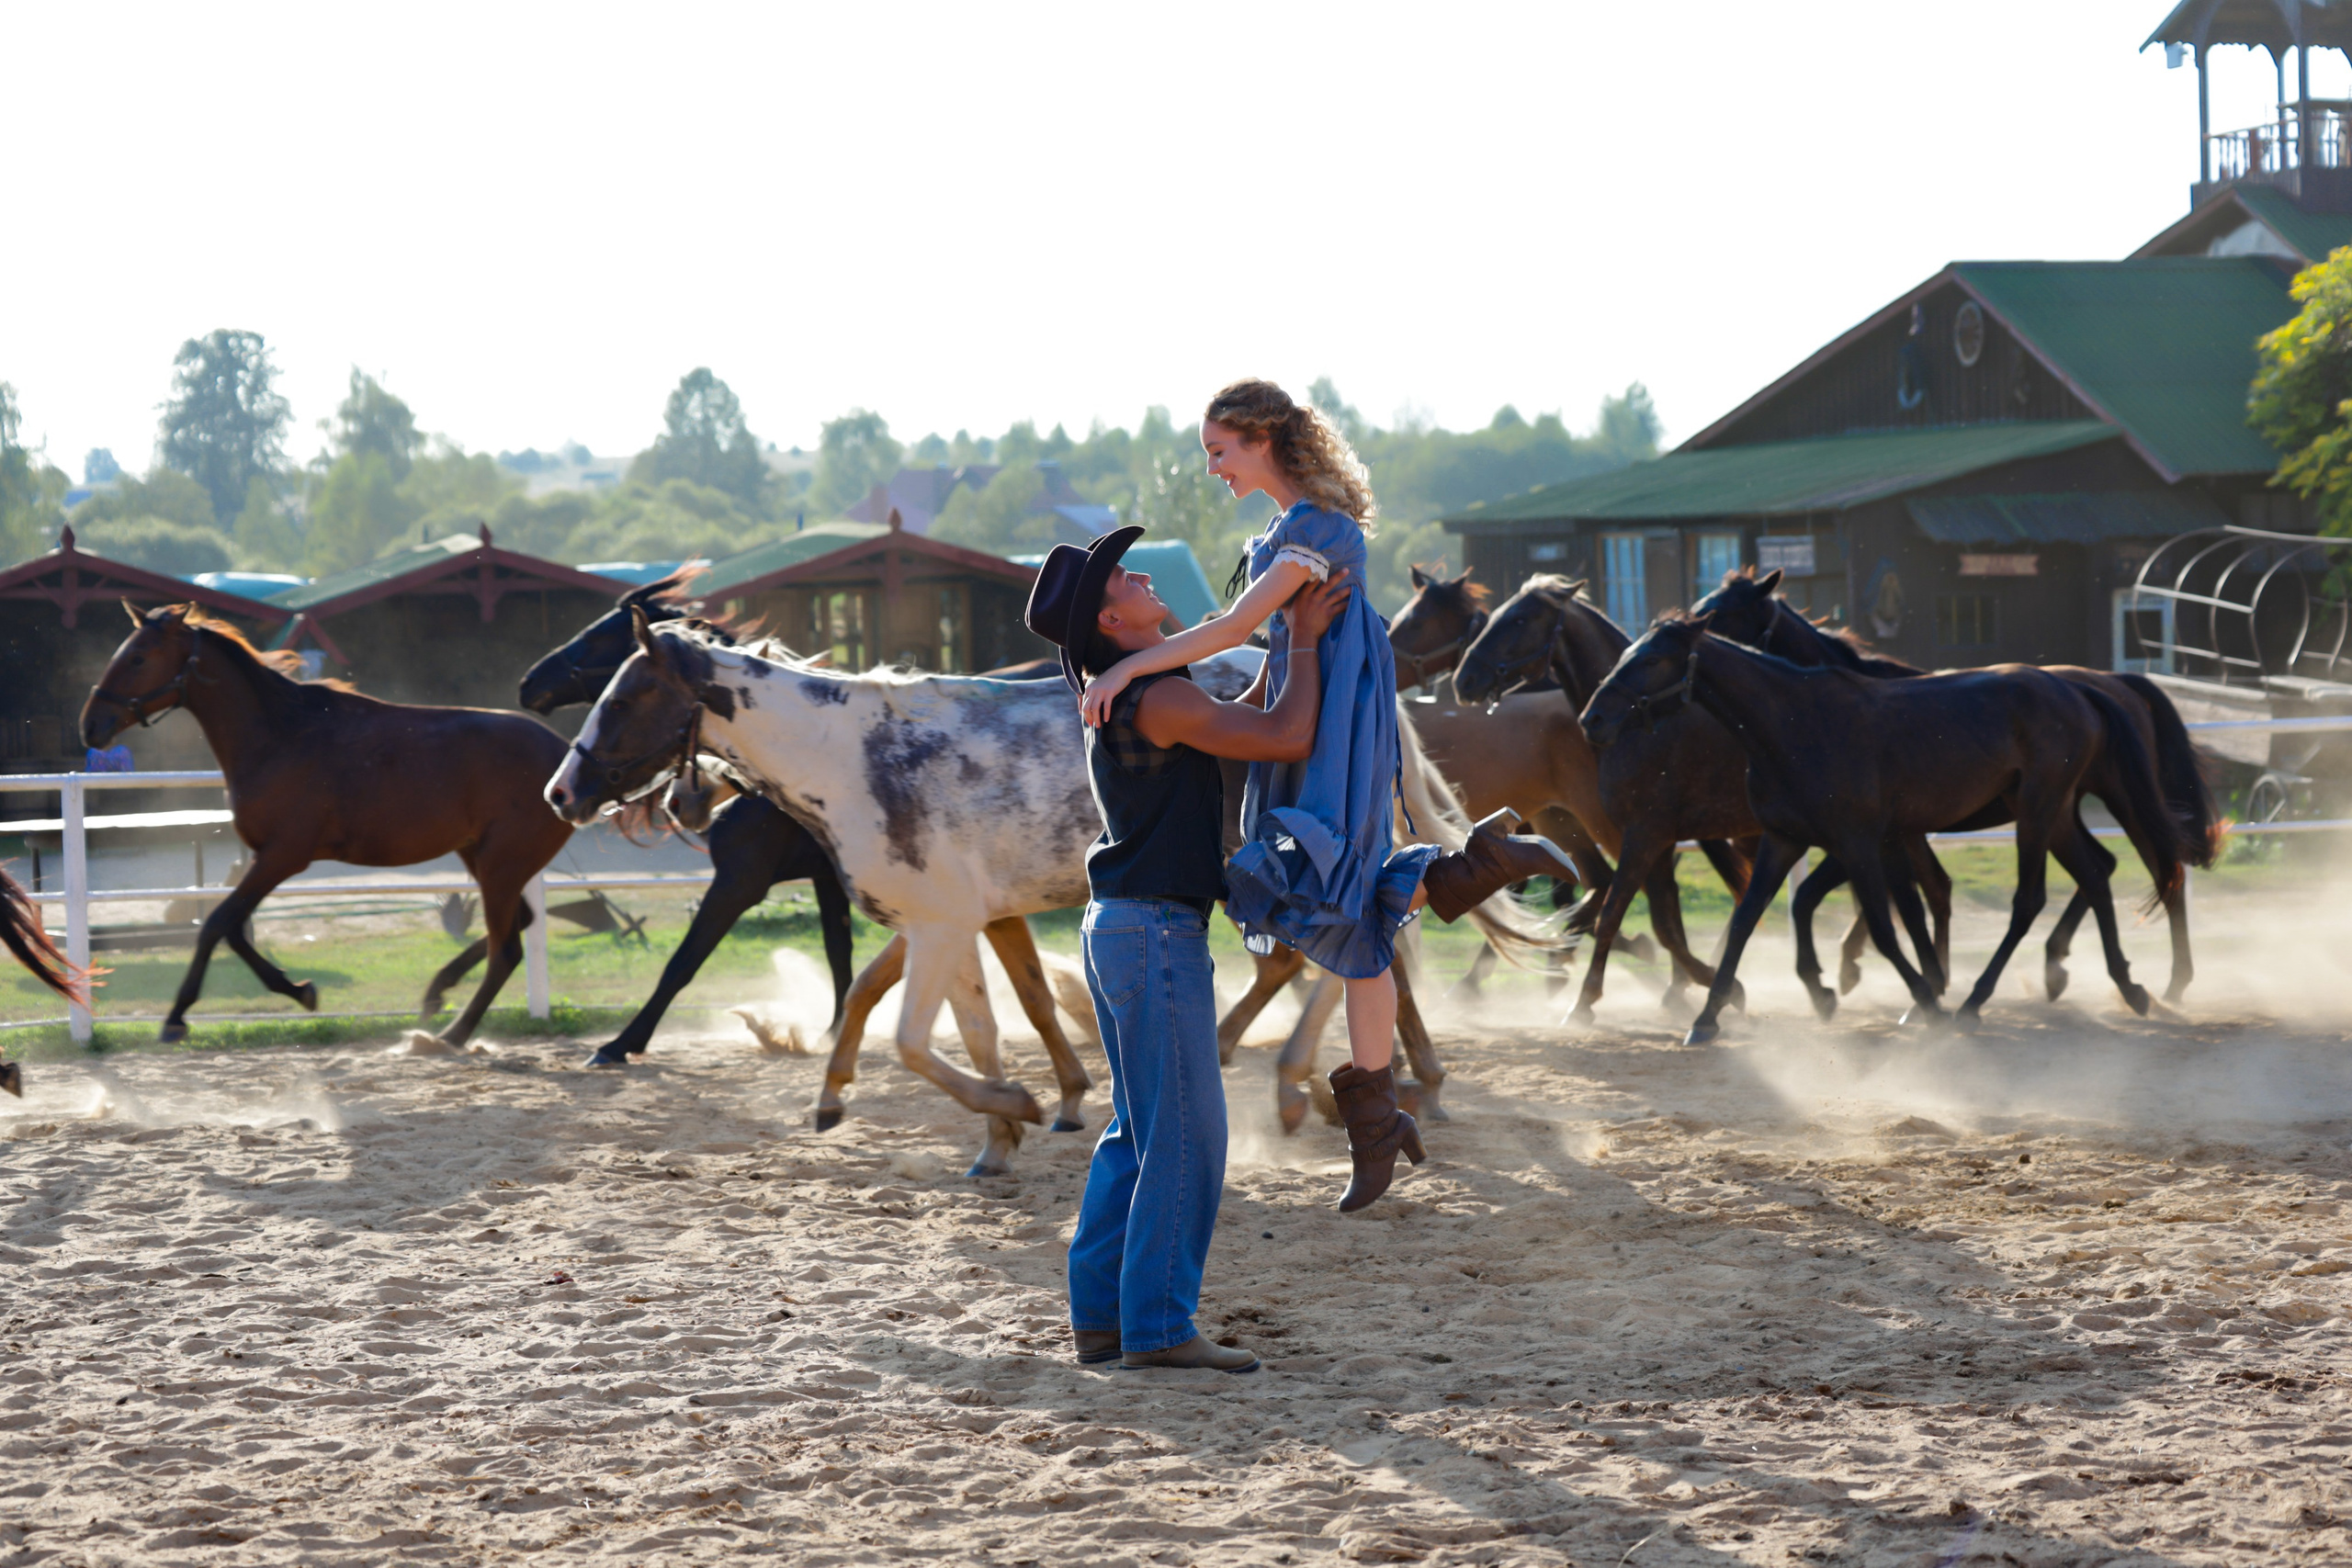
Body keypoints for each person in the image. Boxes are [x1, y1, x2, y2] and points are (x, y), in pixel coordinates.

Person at [1027, 521, 1571, 1372]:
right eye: (1124, 579)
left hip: (1125, 927)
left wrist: (1287, 642)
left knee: (1138, 1132)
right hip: (1153, 932)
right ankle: (1159, 1328)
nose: (1138, 577)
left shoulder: (1145, 691)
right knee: (1188, 1138)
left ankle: (1105, 1319)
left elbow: (1240, 721)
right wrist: (1310, 641)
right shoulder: (1153, 696)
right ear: (1111, 623)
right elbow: (1286, 738)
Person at [1078, 379, 1572, 1213]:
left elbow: (1237, 628)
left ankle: (1472, 866)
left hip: (1333, 708)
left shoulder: (1312, 529)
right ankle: (1377, 1116)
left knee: (1319, 887)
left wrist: (1129, 662)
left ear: (1262, 438)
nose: (1213, 469)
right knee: (1356, 923)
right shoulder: (1289, 530)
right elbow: (1266, 643)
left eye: (1219, 451)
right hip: (1320, 692)